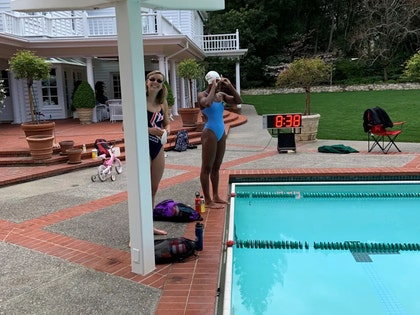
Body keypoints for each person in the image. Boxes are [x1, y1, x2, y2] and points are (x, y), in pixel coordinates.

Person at [198, 71, 243, 208]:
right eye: (215, 81)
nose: (218, 83)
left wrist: (230, 86)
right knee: (207, 167)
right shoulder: (202, 95)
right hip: (209, 132)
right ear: (210, 81)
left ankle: (216, 195)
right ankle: (208, 200)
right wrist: (212, 87)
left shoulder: (221, 95)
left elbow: (238, 101)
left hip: (220, 132)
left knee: (216, 167)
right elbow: (206, 103)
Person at [146, 70, 171, 235]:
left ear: (162, 85)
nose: (155, 82)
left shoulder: (163, 103)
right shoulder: (139, 101)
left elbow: (167, 123)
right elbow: (126, 127)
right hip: (143, 146)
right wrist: (151, 131)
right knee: (142, 190)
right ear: (146, 82)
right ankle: (138, 230)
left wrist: (165, 132)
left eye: (159, 81)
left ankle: (149, 226)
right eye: (152, 79)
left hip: (158, 147)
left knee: (153, 189)